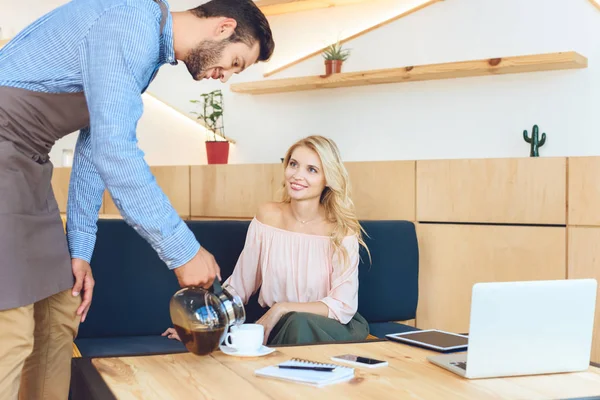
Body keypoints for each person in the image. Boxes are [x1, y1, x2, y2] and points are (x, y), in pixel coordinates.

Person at [0, 0, 274, 398]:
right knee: (12, 329)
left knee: (60, 315)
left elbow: (94, 153)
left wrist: (79, 249)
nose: (225, 77)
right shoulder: (132, 20)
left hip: (27, 166)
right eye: (235, 62)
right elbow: (115, 152)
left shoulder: (147, 57)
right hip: (6, 154)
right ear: (222, 27)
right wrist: (183, 250)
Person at [163, 135, 371, 346]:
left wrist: (281, 308)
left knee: (297, 323)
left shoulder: (342, 230)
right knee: (289, 325)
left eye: (312, 170)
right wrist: (203, 328)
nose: (297, 175)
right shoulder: (267, 216)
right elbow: (240, 286)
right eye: (293, 164)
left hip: (331, 326)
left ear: (327, 179)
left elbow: (343, 305)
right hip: (280, 326)